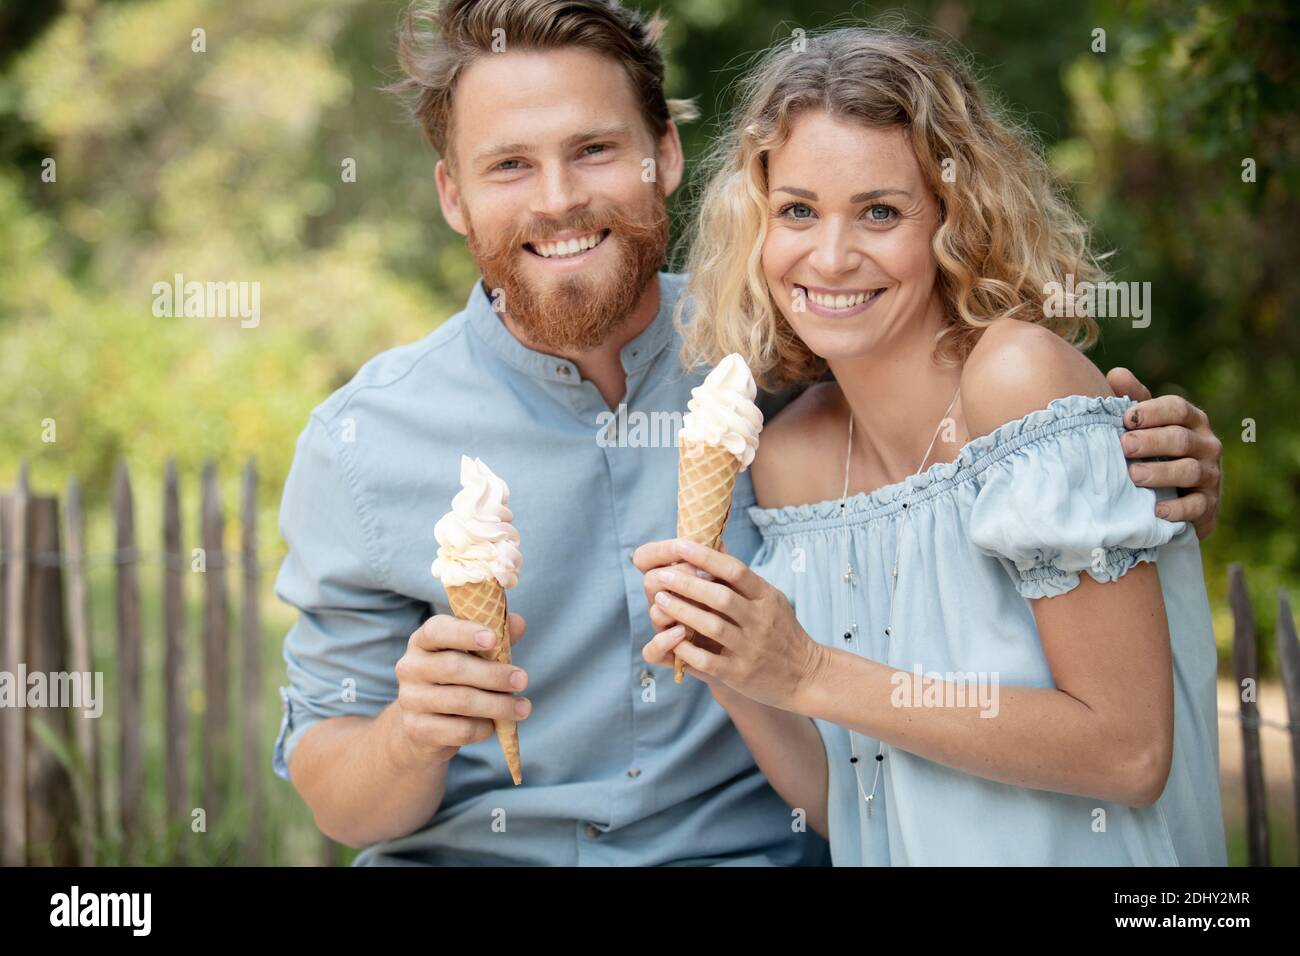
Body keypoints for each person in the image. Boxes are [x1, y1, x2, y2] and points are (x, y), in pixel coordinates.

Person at [273, 0, 1223, 866]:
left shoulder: (789, 358)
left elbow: (1002, 440)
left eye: (595, 149)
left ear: (667, 157)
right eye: (510, 164)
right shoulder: (362, 442)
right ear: (452, 196)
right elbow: (340, 796)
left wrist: (1140, 455)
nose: (559, 197)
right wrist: (410, 732)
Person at [635, 26, 1227, 865]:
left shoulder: (1017, 381)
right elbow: (852, 805)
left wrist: (808, 670)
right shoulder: (788, 457)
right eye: (798, 210)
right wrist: (741, 671)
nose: (831, 256)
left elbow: (1129, 752)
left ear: (956, 219)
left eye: (880, 212)